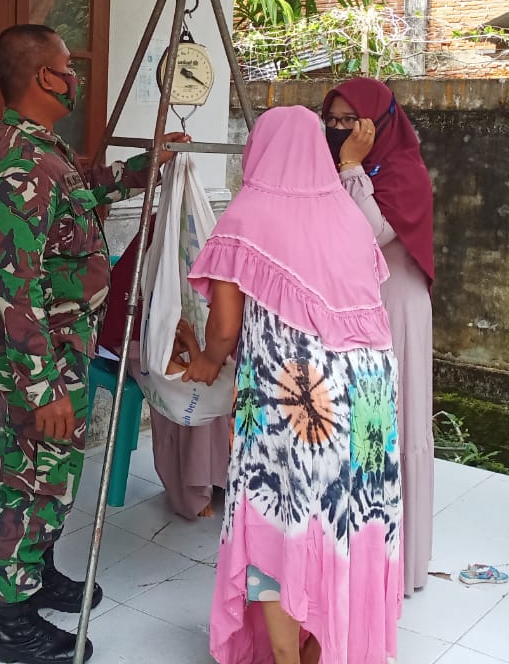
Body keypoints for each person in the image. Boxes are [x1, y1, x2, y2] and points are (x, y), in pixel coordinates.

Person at [0, 23, 188, 664]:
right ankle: (10, 620)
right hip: (38, 358)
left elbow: (78, 202)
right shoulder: (22, 162)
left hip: (62, 347)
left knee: (55, 474)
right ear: (44, 77)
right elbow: (18, 286)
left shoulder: (44, 151)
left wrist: (141, 169)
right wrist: (42, 389)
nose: (75, 77)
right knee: (32, 478)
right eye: (68, 67)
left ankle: (36, 574)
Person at [183, 105, 402, 664]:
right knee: (345, 522)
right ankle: (325, 642)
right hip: (372, 395)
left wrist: (207, 362)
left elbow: (226, 328)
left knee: (274, 523)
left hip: (298, 399)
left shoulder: (247, 214)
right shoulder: (348, 215)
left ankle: (286, 655)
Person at [322, 77, 434, 597]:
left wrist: (350, 167)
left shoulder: (404, 171)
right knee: (361, 427)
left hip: (396, 309)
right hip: (354, 308)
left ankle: (401, 563)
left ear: (379, 121)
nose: (341, 130)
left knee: (398, 424)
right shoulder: (337, 167)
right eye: (334, 119)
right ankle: (362, 550)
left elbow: (367, 235)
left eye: (352, 120)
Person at [99, 225, 230, 520]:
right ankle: (191, 491)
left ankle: (219, 475)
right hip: (135, 345)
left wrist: (193, 346)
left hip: (177, 342)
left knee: (219, 388)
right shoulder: (157, 235)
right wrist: (184, 348)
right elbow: (146, 342)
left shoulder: (194, 238)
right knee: (189, 395)